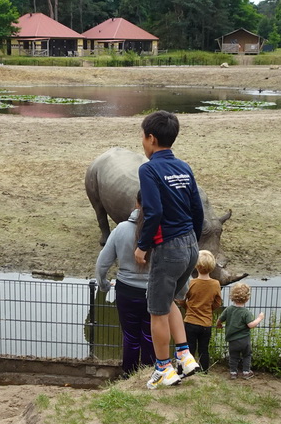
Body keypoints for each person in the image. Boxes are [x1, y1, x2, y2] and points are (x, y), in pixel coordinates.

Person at [133, 110, 203, 389]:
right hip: (190, 245)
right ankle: (184, 356)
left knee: (156, 310)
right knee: (170, 299)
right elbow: (197, 210)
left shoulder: (148, 169)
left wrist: (142, 246)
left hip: (168, 248)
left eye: (142, 136)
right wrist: (192, 241)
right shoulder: (184, 167)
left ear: (151, 138)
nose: (142, 141)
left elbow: (154, 211)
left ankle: (164, 369)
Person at [95, 193, 154, 377]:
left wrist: (103, 284)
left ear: (137, 203)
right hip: (154, 292)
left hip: (126, 291)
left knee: (130, 336)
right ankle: (147, 374)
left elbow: (102, 263)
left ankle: (128, 374)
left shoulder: (121, 229)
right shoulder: (162, 230)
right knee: (150, 336)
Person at [182, 250, 222, 372]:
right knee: (204, 349)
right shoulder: (216, 284)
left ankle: (189, 370)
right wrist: (209, 309)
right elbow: (218, 302)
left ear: (196, 266)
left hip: (190, 321)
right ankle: (204, 371)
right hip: (206, 323)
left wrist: (187, 307)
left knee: (190, 348)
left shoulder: (191, 283)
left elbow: (181, 299)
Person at [217, 282, 264, 379]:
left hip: (232, 340)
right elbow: (251, 325)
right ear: (247, 298)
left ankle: (233, 372)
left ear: (232, 296)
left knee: (233, 356)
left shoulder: (228, 309)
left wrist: (219, 324)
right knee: (246, 355)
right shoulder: (246, 312)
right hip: (244, 339)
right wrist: (259, 318)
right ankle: (246, 372)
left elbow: (220, 319)